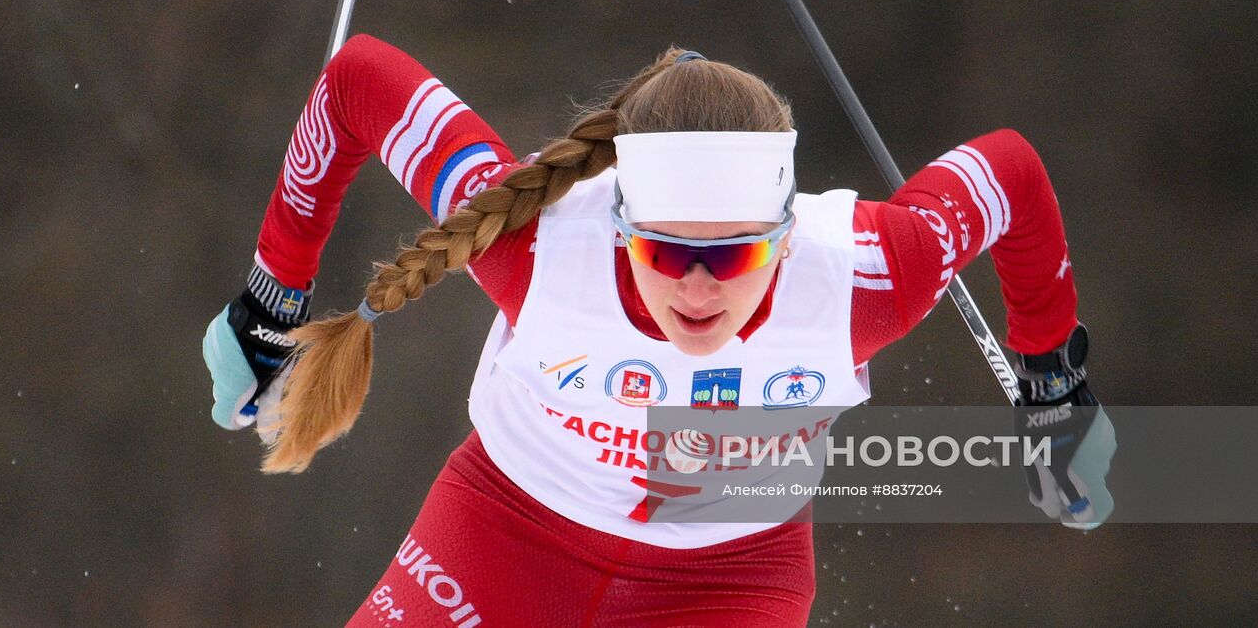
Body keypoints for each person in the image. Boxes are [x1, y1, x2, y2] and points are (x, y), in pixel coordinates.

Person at [203, 35, 1112, 626]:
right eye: (667, 252)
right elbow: (357, 80)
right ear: (619, 225)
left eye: (739, 257)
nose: (701, 291)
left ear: (787, 235)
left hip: (729, 577)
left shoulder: (863, 272)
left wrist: (1055, 386)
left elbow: (1014, 176)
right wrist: (269, 300)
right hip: (505, 530)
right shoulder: (538, 242)